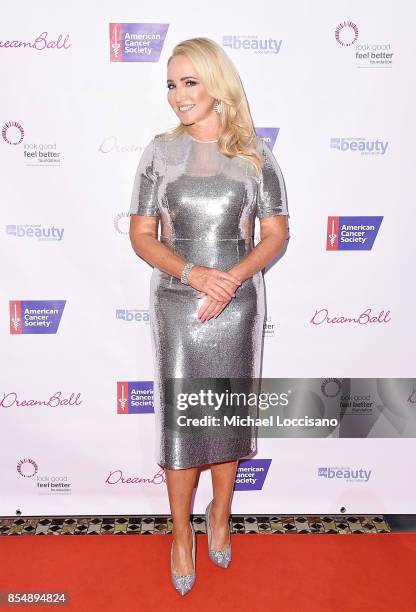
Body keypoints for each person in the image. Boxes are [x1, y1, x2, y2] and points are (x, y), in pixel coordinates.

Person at [128, 37, 289, 595]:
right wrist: (194, 275)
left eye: (189, 82)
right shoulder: (158, 153)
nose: (177, 95)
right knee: (182, 419)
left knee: (223, 415)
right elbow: (142, 236)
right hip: (179, 301)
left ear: (217, 84)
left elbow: (275, 234)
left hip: (238, 302)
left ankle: (220, 514)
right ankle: (180, 535)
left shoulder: (255, 156)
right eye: (171, 84)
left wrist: (233, 278)